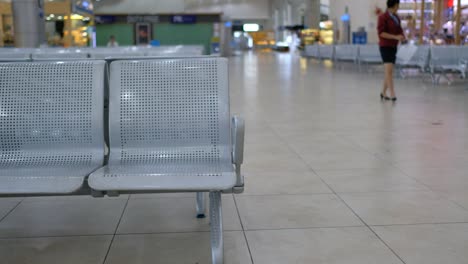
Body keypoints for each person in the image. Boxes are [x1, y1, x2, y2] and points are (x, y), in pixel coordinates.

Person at [377, 0, 405, 102]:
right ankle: (392, 93)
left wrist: (402, 37)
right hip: (385, 47)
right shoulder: (382, 17)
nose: (398, 8)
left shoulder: (396, 18)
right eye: (397, 6)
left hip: (393, 47)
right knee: (389, 71)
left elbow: (399, 30)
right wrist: (395, 37)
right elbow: (381, 33)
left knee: (389, 71)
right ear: (393, 6)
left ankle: (383, 92)